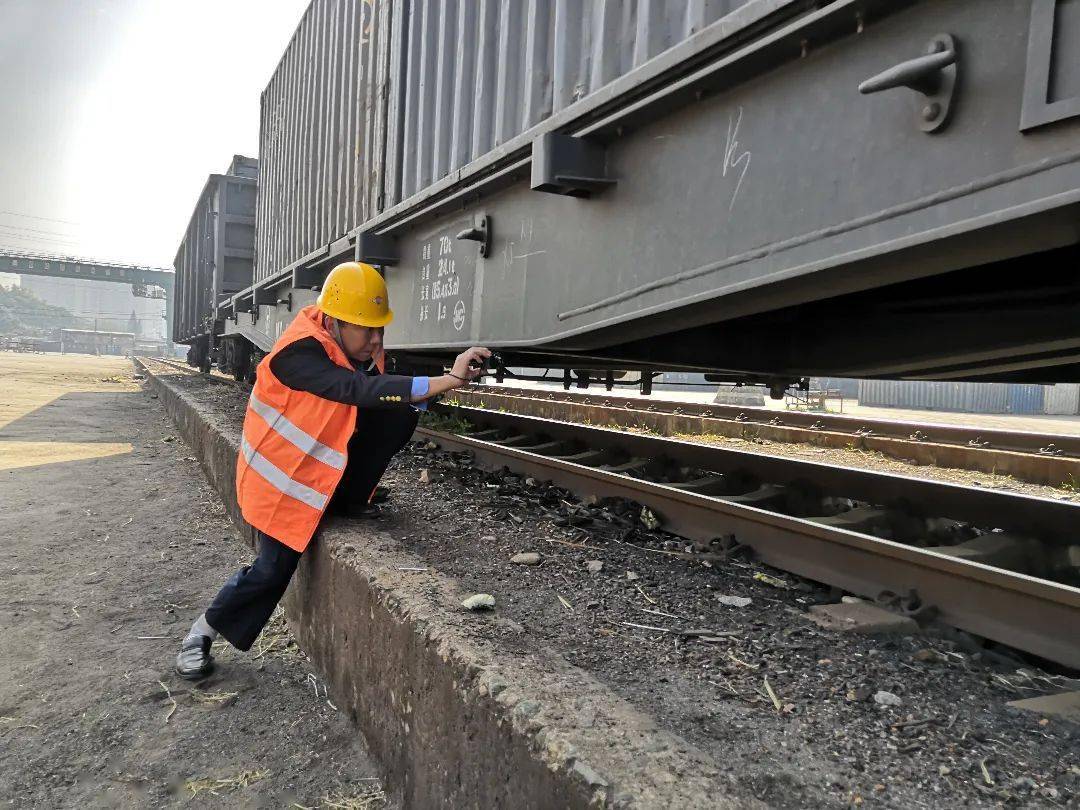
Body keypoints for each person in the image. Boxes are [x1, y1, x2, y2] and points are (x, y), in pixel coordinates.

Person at [175, 261, 489, 679]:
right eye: (367, 329)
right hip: (281, 486)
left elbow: (374, 401)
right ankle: (201, 633)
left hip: (318, 482)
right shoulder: (298, 352)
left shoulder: (355, 345)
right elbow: (355, 390)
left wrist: (419, 392)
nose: (376, 339)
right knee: (271, 571)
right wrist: (448, 378)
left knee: (401, 412)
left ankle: (349, 501)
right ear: (336, 320)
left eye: (379, 329)